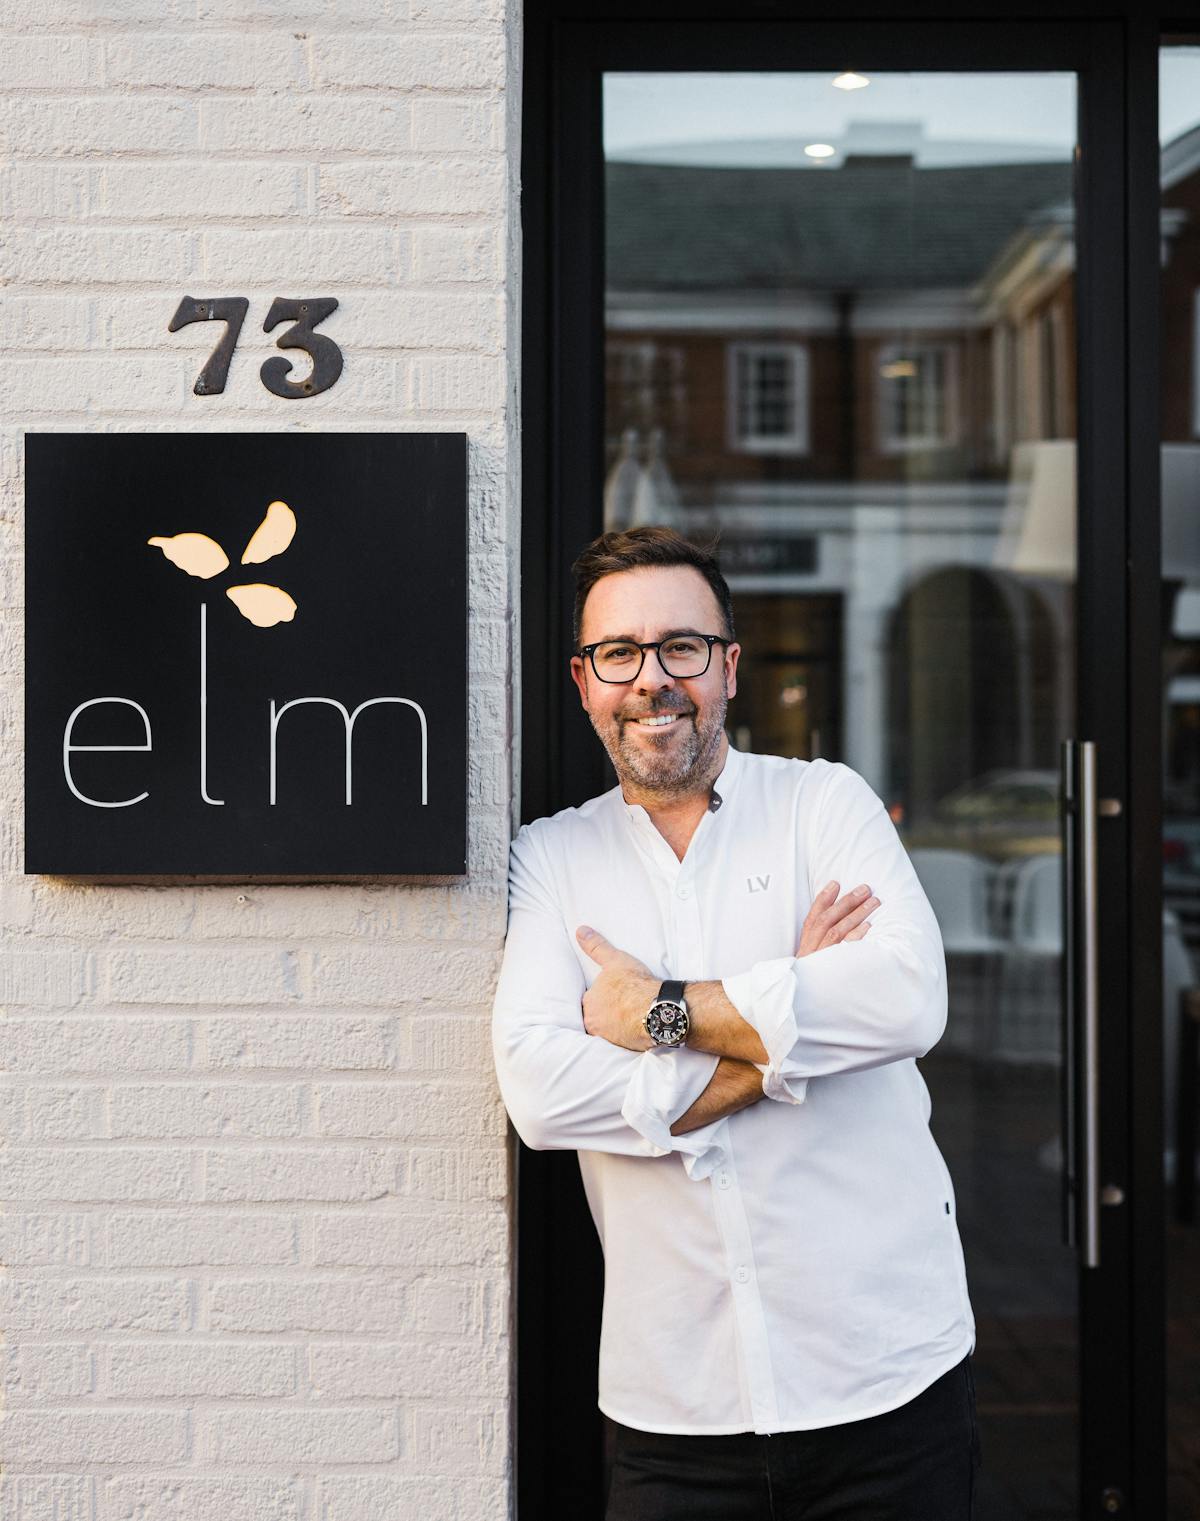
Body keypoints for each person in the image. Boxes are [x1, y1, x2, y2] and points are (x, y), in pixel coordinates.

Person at [492, 525, 981, 1519]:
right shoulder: (551, 859)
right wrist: (785, 1023)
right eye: (619, 654)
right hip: (675, 1405)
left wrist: (657, 1013)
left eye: (682, 648)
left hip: (887, 1379)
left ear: (729, 668)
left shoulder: (824, 806)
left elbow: (907, 999)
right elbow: (542, 1094)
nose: (652, 680)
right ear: (583, 682)